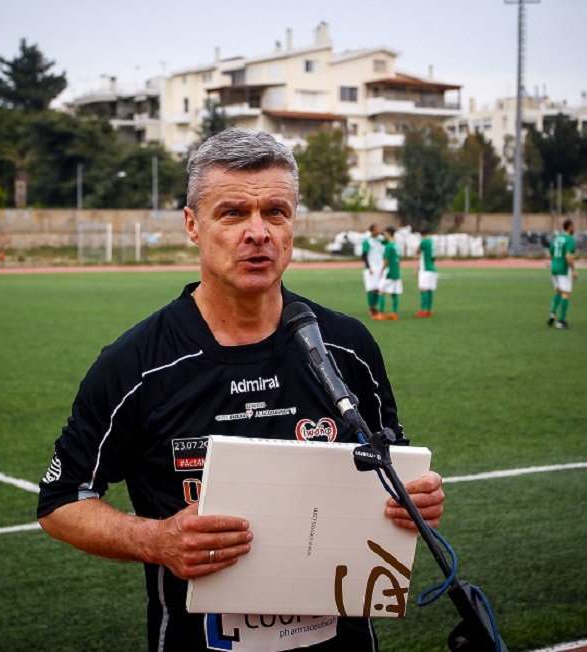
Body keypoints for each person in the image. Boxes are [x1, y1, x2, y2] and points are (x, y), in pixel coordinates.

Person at [36, 128, 445, 652]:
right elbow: (61, 501)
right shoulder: (135, 366)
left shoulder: (347, 345)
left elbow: (391, 465)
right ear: (192, 225)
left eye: (276, 212)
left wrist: (416, 496)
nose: (259, 232)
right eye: (233, 213)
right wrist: (156, 540)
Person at [547, 219, 578, 329]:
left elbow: (549, 255)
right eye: (573, 226)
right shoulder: (569, 240)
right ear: (569, 227)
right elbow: (568, 256)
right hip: (563, 270)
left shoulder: (556, 239)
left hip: (554, 269)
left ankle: (552, 312)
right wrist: (574, 270)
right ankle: (561, 321)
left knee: (558, 291)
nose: (574, 228)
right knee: (566, 293)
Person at [374, 225, 403, 321]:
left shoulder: (389, 246)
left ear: (389, 234)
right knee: (394, 293)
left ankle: (381, 313)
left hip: (389, 272)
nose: (384, 235)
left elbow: (386, 260)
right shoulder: (395, 245)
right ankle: (394, 313)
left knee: (381, 291)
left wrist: (382, 270)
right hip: (396, 272)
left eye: (385, 233)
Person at [361, 223, 386, 316]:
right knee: (371, 288)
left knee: (377, 288)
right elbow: (364, 255)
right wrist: (368, 266)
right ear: (372, 230)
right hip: (371, 267)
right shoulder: (367, 241)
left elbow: (388, 241)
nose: (379, 230)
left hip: (380, 267)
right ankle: (371, 307)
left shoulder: (381, 240)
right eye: (377, 229)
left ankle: (375, 307)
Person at [416, 228, 438, 318]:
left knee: (424, 289)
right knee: (429, 290)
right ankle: (428, 310)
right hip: (432, 268)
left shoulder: (424, 242)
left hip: (425, 269)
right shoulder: (432, 242)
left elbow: (417, 252)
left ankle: (423, 310)